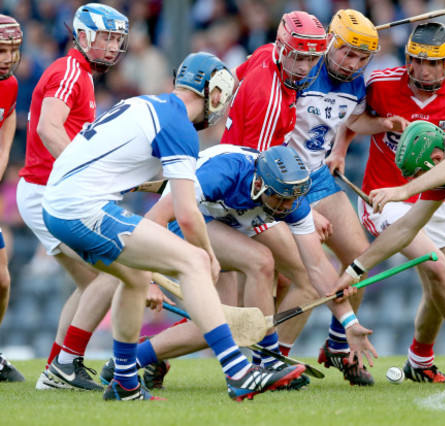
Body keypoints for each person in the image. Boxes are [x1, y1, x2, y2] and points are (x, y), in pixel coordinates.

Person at [42, 51, 309, 402]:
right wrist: (210, 256)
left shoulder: (146, 104)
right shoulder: (179, 125)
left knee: (135, 278)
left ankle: (124, 382)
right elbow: (185, 214)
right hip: (80, 207)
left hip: (58, 204)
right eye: (222, 100)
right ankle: (239, 373)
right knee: (194, 261)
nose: (221, 109)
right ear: (214, 94)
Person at [99, 144, 378, 389]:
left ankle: (129, 360)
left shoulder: (287, 196)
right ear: (260, 185)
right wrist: (147, 280)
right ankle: (266, 362)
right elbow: (153, 219)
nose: (285, 208)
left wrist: (349, 323)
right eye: (280, 200)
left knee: (221, 323)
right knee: (260, 260)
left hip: (223, 220)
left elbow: (317, 266)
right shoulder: (222, 174)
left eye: (291, 201)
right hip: (184, 218)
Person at [331, 21, 445, 383]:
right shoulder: (381, 83)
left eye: (434, 63)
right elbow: (351, 118)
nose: (425, 70)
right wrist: (343, 147)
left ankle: (420, 361)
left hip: (432, 201)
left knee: (437, 286)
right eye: (418, 61)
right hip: (384, 198)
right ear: (408, 59)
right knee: (435, 268)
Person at [14, 3, 135, 391]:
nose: (114, 46)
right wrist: (86, 177)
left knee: (91, 284)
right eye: (107, 37)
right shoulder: (70, 71)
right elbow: (51, 129)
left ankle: (57, 369)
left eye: (118, 39)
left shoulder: (79, 74)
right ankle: (64, 367)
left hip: (43, 189)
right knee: (108, 276)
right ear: (82, 36)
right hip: (45, 190)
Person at [286, 9, 403, 386]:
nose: (353, 63)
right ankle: (275, 359)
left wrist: (383, 124)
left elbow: (352, 122)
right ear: (330, 44)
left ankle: (338, 347)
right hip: (282, 179)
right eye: (347, 53)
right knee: (293, 275)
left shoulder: (354, 84)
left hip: (318, 175)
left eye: (362, 57)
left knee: (359, 258)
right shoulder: (302, 71)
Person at [220, 10, 328, 150]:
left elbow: (231, 78)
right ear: (280, 47)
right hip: (241, 167)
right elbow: (256, 162)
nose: (305, 68)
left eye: (313, 58)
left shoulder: (267, 51)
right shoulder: (270, 100)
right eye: (299, 58)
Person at [0, 13, 24, 383]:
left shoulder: (9, 86)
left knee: (1, 281)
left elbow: (8, 119)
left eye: (13, 51)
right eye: (0, 50)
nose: (6, 58)